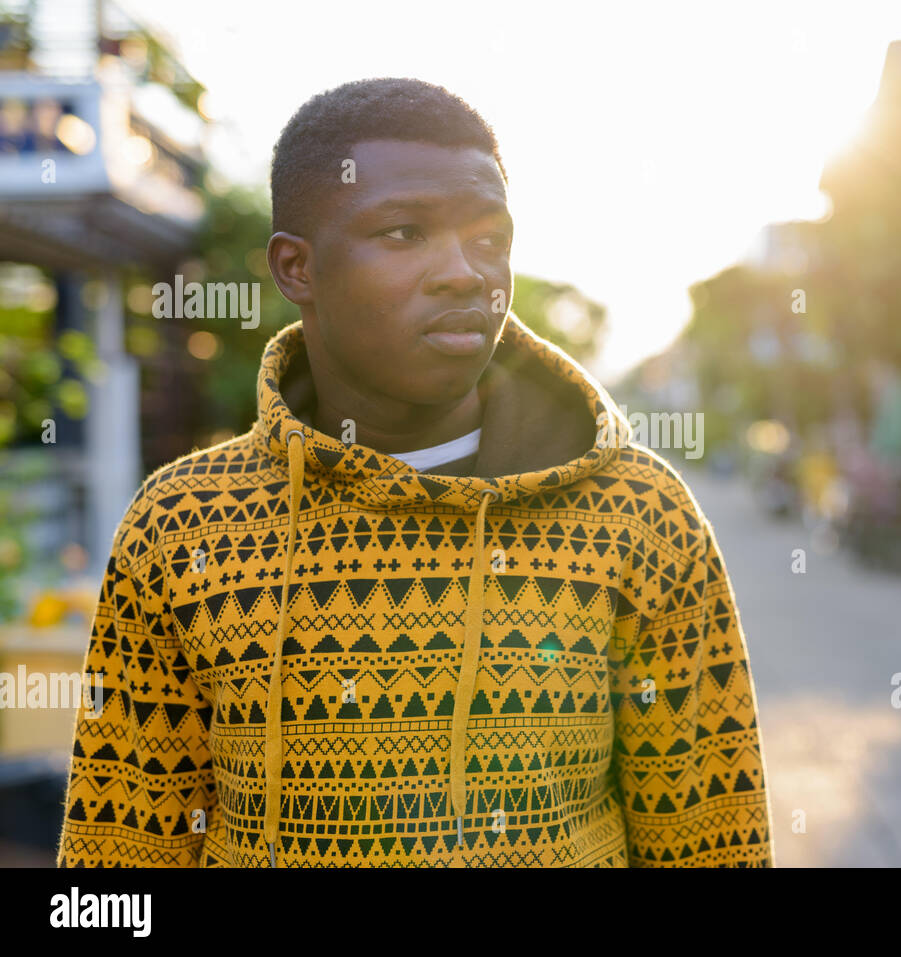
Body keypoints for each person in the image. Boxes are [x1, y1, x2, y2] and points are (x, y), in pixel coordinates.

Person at [55, 77, 773, 868]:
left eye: (490, 239)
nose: (467, 273)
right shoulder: (181, 524)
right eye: (404, 233)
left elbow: (714, 843)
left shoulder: (640, 515)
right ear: (297, 268)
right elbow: (116, 870)